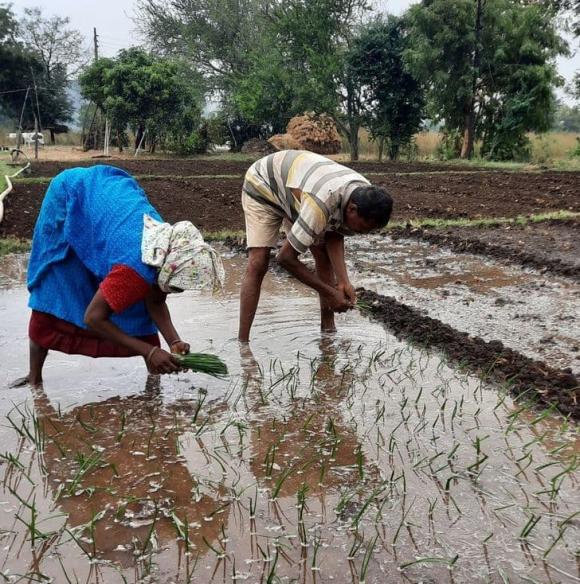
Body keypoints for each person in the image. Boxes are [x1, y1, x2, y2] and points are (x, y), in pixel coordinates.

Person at [14, 165, 224, 387]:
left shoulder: (164, 246)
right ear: (170, 266)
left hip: (105, 192)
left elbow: (154, 299)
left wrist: (174, 340)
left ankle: (152, 389)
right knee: (55, 289)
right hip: (69, 195)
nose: (178, 291)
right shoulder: (135, 268)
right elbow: (93, 318)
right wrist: (150, 350)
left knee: (138, 295)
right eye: (178, 286)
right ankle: (34, 379)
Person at [238, 150, 393, 342]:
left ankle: (328, 331)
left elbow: (335, 232)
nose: (362, 233)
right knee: (258, 262)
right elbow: (285, 258)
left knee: (322, 254)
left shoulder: (363, 193)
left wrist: (343, 281)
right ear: (352, 209)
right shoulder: (321, 203)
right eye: (362, 228)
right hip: (264, 183)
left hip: (297, 189)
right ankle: (243, 342)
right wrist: (330, 292)